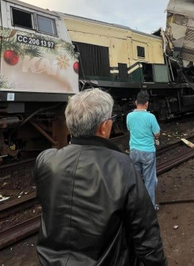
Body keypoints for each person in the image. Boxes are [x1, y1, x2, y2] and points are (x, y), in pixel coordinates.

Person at [34, 88, 167, 266]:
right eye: (111, 119)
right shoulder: (122, 166)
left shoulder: (46, 161)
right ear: (103, 127)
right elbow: (145, 234)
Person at [126, 91, 161, 211]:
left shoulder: (129, 116)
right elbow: (157, 133)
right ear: (147, 103)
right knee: (150, 180)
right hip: (148, 152)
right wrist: (155, 137)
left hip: (134, 152)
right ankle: (150, 208)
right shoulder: (150, 117)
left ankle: (136, 206)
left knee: (136, 180)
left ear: (136, 102)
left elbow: (129, 129)